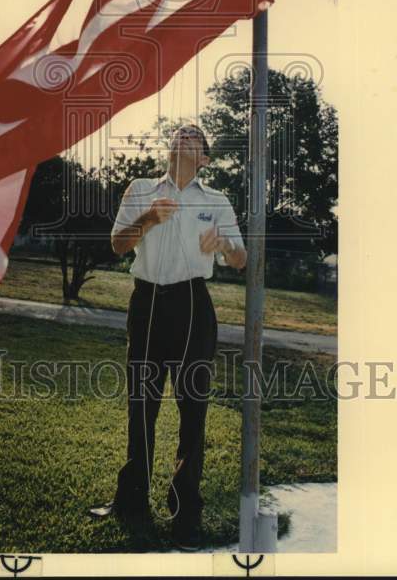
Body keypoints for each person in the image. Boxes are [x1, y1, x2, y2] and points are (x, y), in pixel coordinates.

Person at [89, 123, 247, 550]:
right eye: (178, 134)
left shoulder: (215, 201)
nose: (183, 138)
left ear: (204, 159)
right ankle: (132, 502)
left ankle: (185, 515)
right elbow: (118, 245)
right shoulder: (139, 188)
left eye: (193, 138)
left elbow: (241, 257)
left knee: (193, 412)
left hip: (193, 307)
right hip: (147, 305)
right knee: (141, 406)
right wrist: (147, 218)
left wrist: (225, 247)